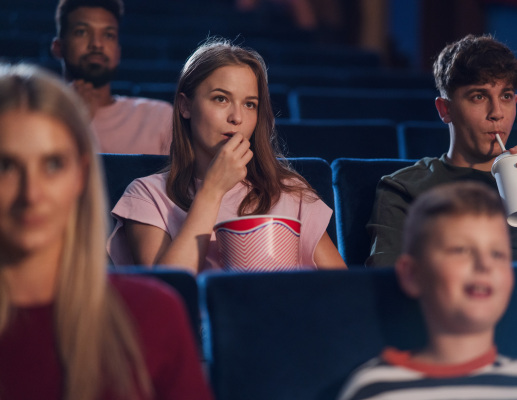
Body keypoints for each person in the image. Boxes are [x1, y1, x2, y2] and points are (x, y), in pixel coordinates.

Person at [0, 63, 213, 399]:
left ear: (81, 175)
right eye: (6, 165)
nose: (31, 193)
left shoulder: (154, 314)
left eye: (53, 164)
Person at [107, 39, 347, 273]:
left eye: (249, 104)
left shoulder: (288, 191)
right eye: (221, 99)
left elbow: (346, 292)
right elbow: (170, 291)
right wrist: (212, 190)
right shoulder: (147, 195)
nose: (237, 118)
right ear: (185, 106)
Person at [339, 181, 517, 400]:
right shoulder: (376, 390)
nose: (484, 265)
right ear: (412, 274)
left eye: (497, 254)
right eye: (461, 250)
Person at [366, 34, 517, 268]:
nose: (497, 112)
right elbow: (387, 282)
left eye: (506, 96)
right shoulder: (405, 188)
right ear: (445, 109)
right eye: (479, 96)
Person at [50, 0, 172, 155]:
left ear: (118, 52)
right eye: (81, 32)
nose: (97, 44)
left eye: (108, 35)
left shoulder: (158, 117)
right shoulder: (38, 117)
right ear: (58, 47)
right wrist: (74, 119)